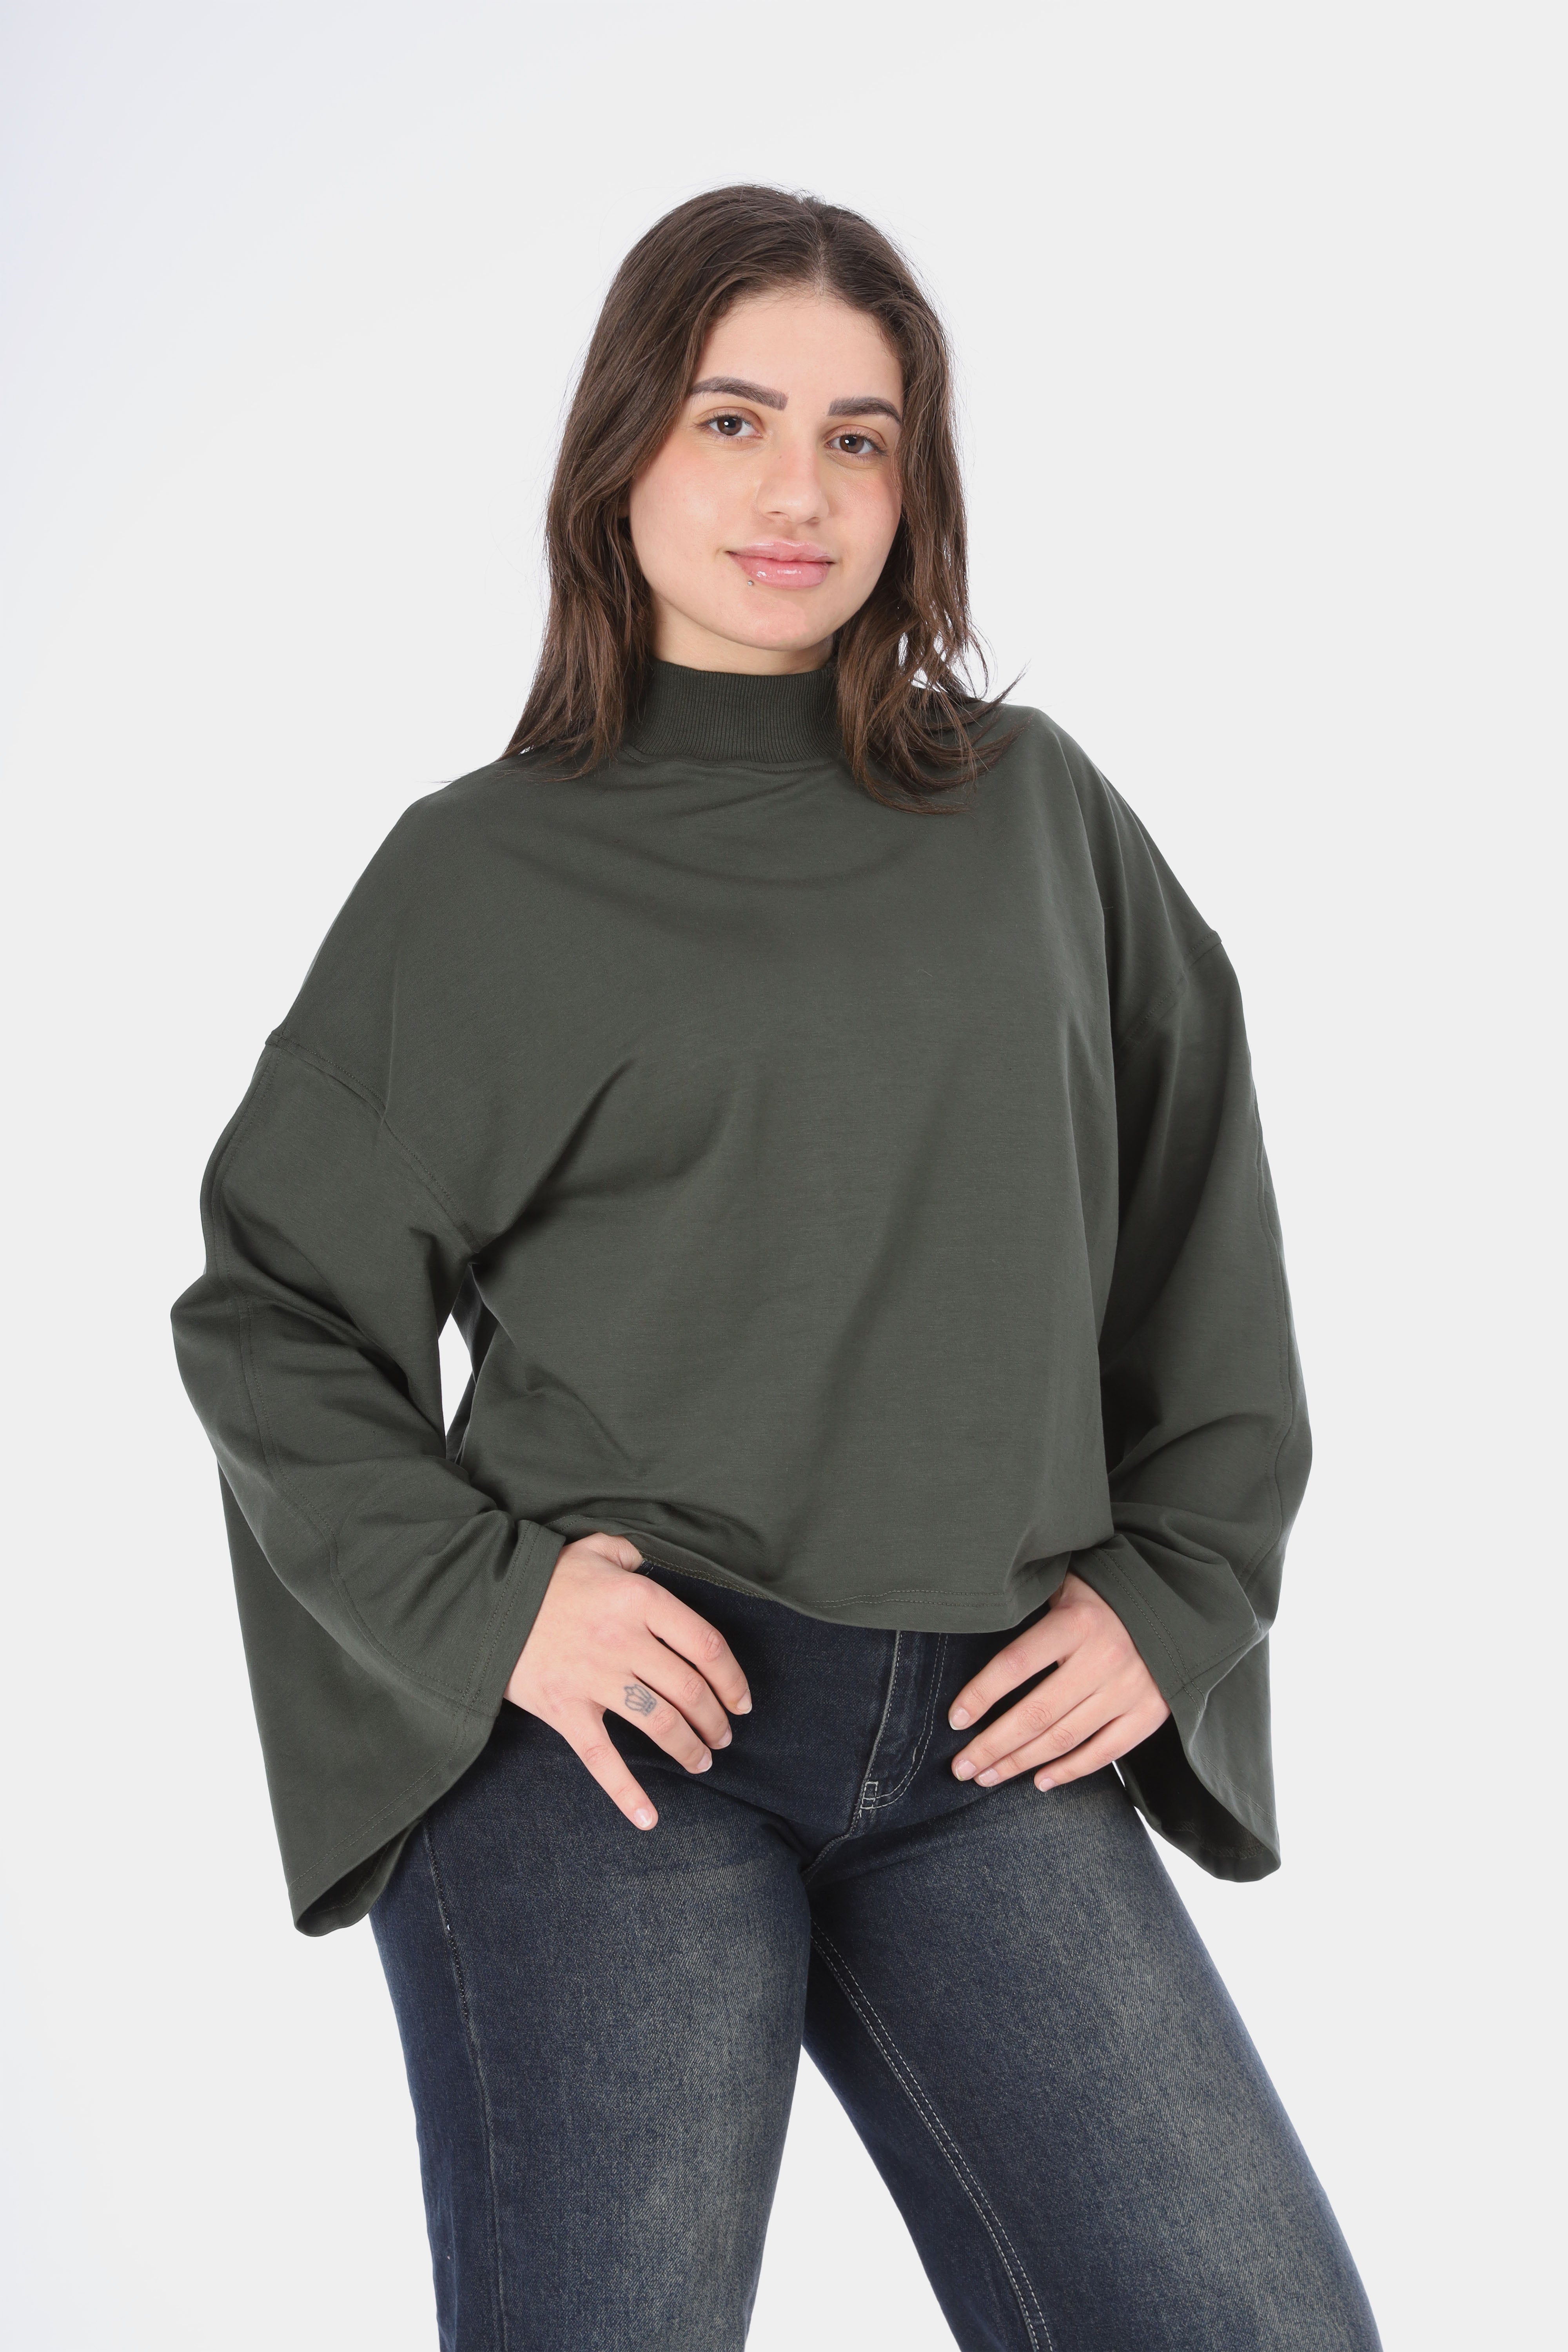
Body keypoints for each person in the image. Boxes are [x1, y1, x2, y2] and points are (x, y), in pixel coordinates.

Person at [171, 184, 1381, 2352]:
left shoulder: (1033, 816)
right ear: (624, 447)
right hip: (619, 1736)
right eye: (734, 420)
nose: (797, 492)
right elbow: (272, 1305)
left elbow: (1203, 1222)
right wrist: (499, 1607)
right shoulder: (482, 877)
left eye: (860, 435)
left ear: (916, 484)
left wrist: (1184, 1585)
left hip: (991, 1737)